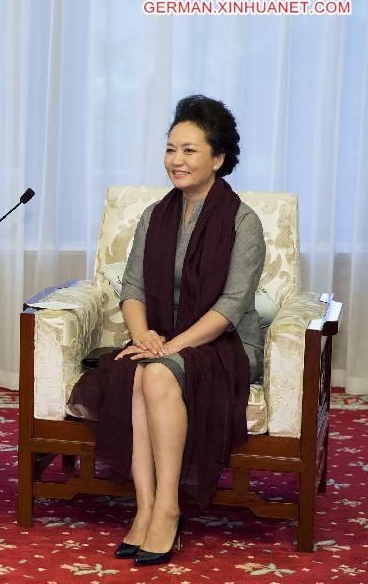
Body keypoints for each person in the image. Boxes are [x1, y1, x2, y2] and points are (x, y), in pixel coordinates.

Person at [68, 95, 265, 566]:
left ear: (218, 159)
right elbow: (132, 287)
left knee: (154, 372)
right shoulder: (155, 215)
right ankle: (145, 509)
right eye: (171, 148)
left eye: (190, 150)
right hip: (160, 336)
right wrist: (142, 336)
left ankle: (168, 509)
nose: (177, 160)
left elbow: (233, 306)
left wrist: (169, 347)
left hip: (224, 343)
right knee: (142, 370)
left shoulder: (243, 221)